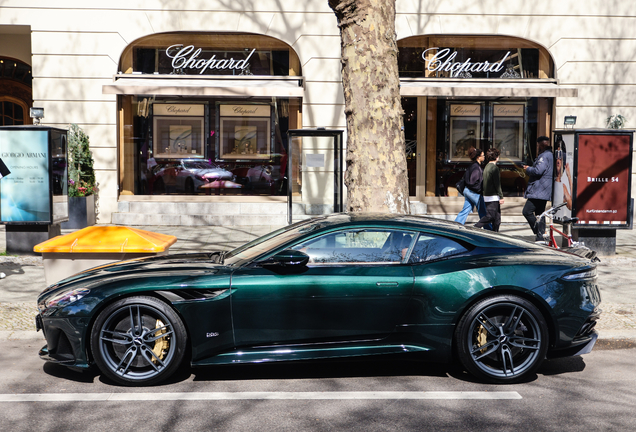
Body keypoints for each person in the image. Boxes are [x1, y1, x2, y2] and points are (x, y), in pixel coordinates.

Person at [522, 136, 554, 241]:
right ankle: (541, 237)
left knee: (527, 211)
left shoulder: (544, 156)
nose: (537, 147)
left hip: (539, 189)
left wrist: (528, 169)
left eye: (538, 145)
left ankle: (539, 232)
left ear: (541, 144)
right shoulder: (549, 155)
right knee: (540, 213)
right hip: (543, 189)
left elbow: (538, 171)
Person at [455, 147, 487, 225]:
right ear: (478, 157)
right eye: (483, 155)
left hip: (468, 191)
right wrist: (480, 190)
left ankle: (456, 225)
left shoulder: (473, 166)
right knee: (483, 212)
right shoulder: (476, 167)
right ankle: (489, 229)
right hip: (473, 192)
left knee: (466, 209)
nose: (484, 157)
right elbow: (472, 182)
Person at [475, 148, 504, 232]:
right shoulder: (494, 168)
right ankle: (476, 226)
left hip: (487, 195)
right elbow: (497, 184)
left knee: (497, 218)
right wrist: (501, 196)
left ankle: (495, 234)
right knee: (491, 216)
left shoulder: (486, 166)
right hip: (493, 196)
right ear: (496, 157)